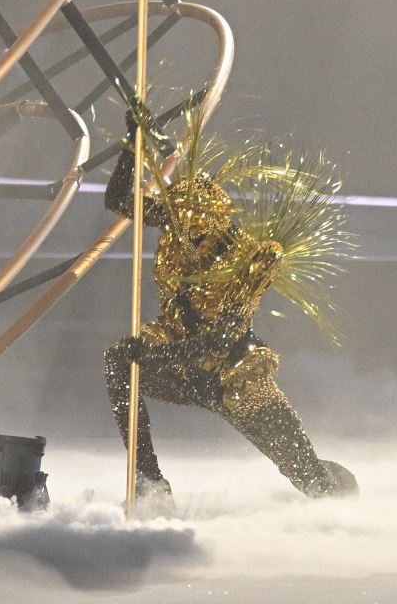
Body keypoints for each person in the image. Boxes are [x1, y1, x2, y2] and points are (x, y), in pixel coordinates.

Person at [102, 102, 354, 501]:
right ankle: (150, 482)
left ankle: (330, 484)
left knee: (306, 476)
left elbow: (219, 341)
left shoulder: (251, 259)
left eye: (196, 235)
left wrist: (158, 356)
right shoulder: (178, 225)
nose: (185, 244)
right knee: (120, 362)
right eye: (178, 230)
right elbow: (121, 200)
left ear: (216, 223)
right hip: (184, 366)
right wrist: (134, 140)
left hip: (232, 376)